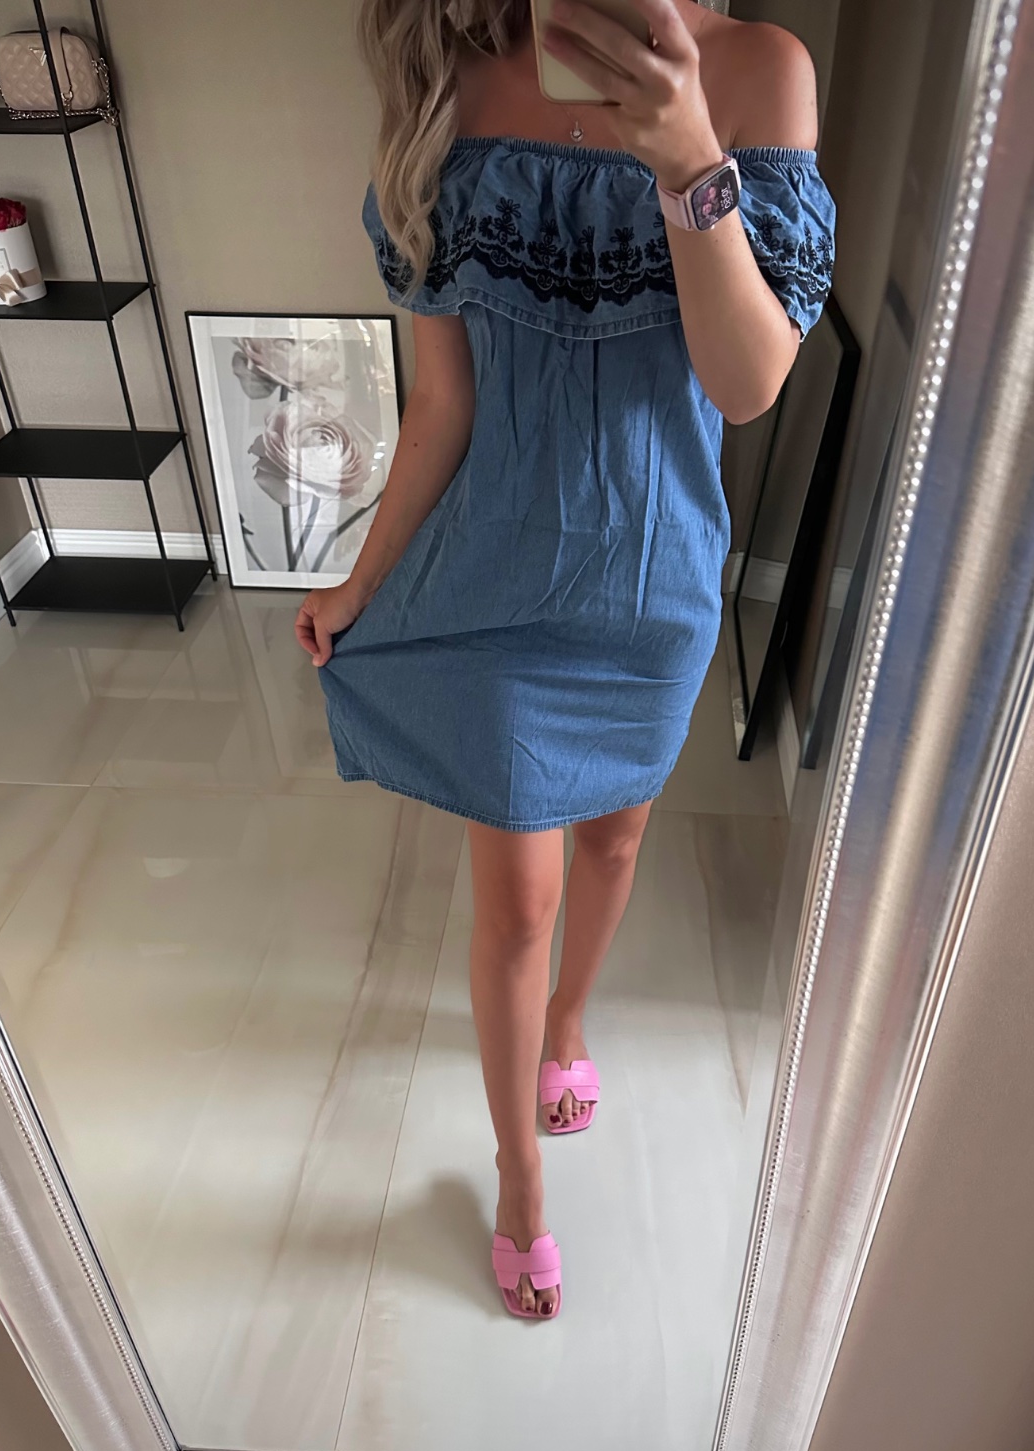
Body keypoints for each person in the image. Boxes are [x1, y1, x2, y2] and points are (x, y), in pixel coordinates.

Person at [295, 0, 834, 1320]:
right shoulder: (451, 78)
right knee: (519, 903)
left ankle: (570, 1024)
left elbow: (748, 382)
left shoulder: (761, 71)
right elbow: (444, 405)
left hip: (653, 579)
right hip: (495, 574)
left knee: (616, 839)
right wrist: (362, 580)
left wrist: (689, 150)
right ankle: (518, 1171)